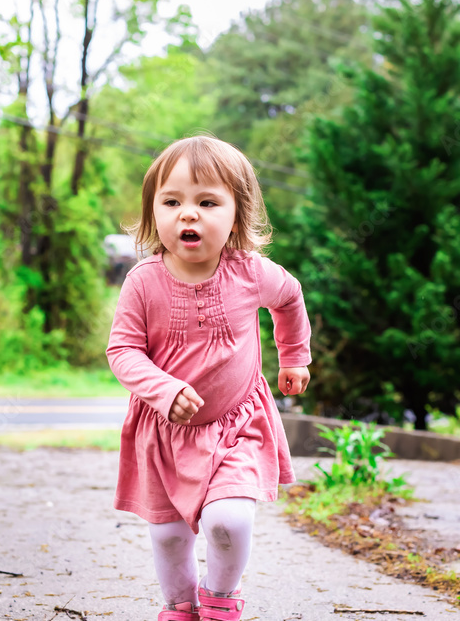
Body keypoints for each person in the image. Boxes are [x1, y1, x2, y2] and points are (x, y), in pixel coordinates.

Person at [106, 135, 312, 621]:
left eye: (207, 202)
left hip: (238, 425)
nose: (188, 214)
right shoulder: (143, 281)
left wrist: (294, 357)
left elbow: (290, 297)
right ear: (153, 212)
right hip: (164, 434)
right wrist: (164, 389)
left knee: (228, 520)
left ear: (236, 216)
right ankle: (180, 606)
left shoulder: (250, 273)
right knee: (169, 533)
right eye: (172, 201)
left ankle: (222, 598)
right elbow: (122, 350)